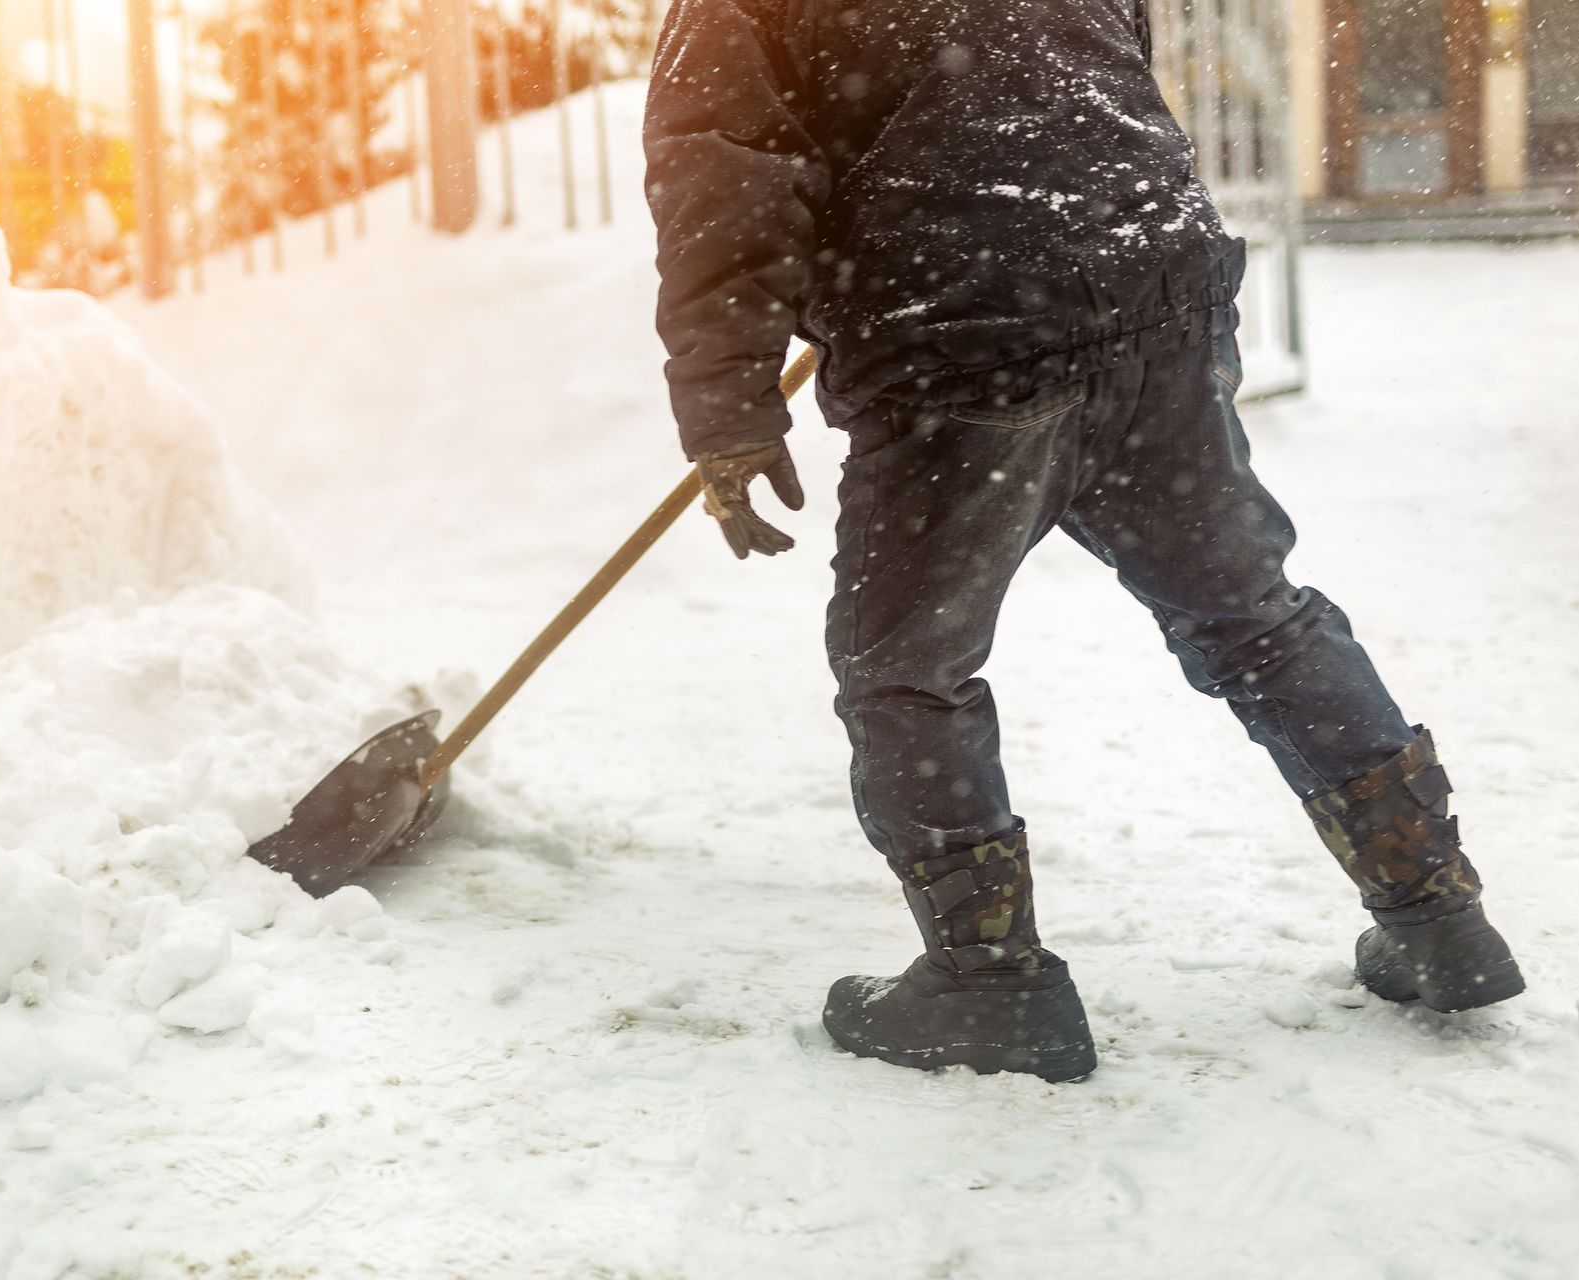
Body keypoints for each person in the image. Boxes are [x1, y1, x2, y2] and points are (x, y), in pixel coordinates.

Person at [642, 0, 1523, 1081]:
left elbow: (722, 173)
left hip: (962, 338)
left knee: (906, 667)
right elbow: (1105, 58)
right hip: (1151, 284)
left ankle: (988, 982)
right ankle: (1437, 913)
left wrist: (728, 411)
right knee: (1254, 616)